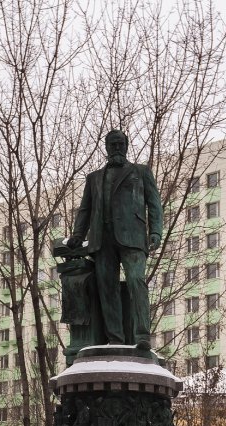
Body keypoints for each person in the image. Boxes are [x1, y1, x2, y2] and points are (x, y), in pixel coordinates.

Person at [65, 129, 162, 348]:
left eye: (120, 144)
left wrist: (156, 231)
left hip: (133, 237)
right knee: (107, 288)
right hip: (102, 239)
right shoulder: (94, 178)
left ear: (126, 146)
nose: (117, 148)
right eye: (113, 145)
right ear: (106, 148)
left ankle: (142, 335)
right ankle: (115, 338)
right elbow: (85, 210)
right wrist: (78, 235)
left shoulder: (141, 172)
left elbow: (154, 204)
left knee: (137, 281)